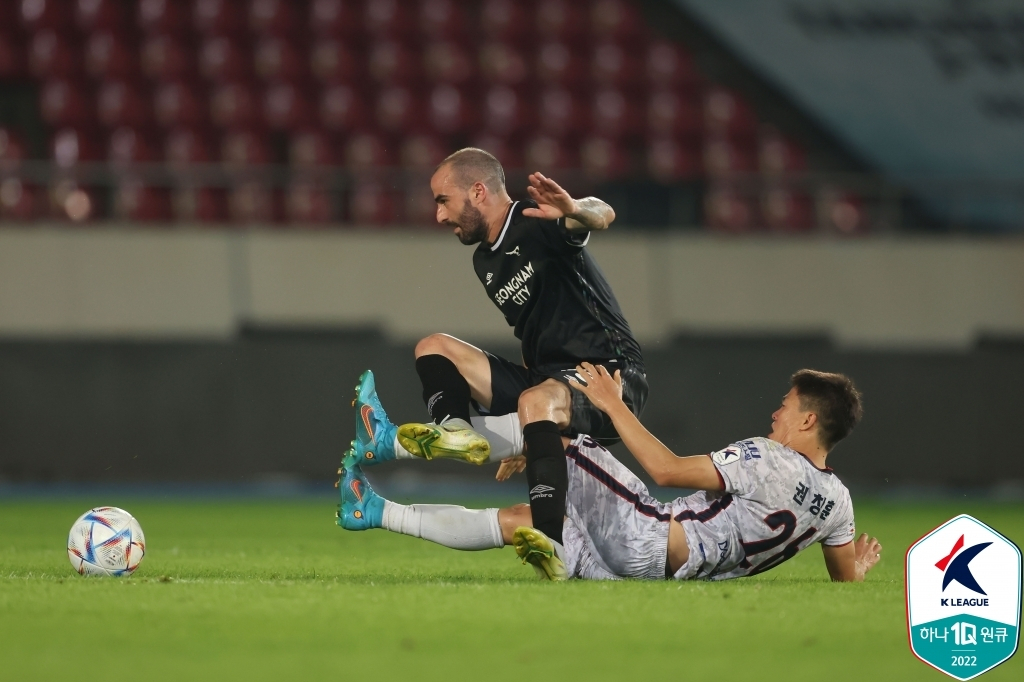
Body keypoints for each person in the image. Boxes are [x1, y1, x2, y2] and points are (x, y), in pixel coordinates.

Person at [341, 148, 648, 549]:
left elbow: (600, 213)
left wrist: (575, 208)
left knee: (537, 402)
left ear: (478, 191)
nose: (439, 216)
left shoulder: (537, 219)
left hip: (609, 379)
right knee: (433, 347)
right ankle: (453, 428)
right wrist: (533, 435)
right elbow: (530, 334)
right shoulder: (485, 261)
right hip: (547, 383)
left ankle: (555, 545)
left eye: (443, 200)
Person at [337, 367, 883, 583]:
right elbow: (842, 582)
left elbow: (666, 471)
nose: (776, 414)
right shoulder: (839, 503)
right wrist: (856, 565)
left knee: (554, 426)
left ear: (809, 419)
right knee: (523, 519)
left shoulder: (768, 457)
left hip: (647, 535)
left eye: (785, 407)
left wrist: (611, 403)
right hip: (658, 578)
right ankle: (377, 511)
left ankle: (389, 442)